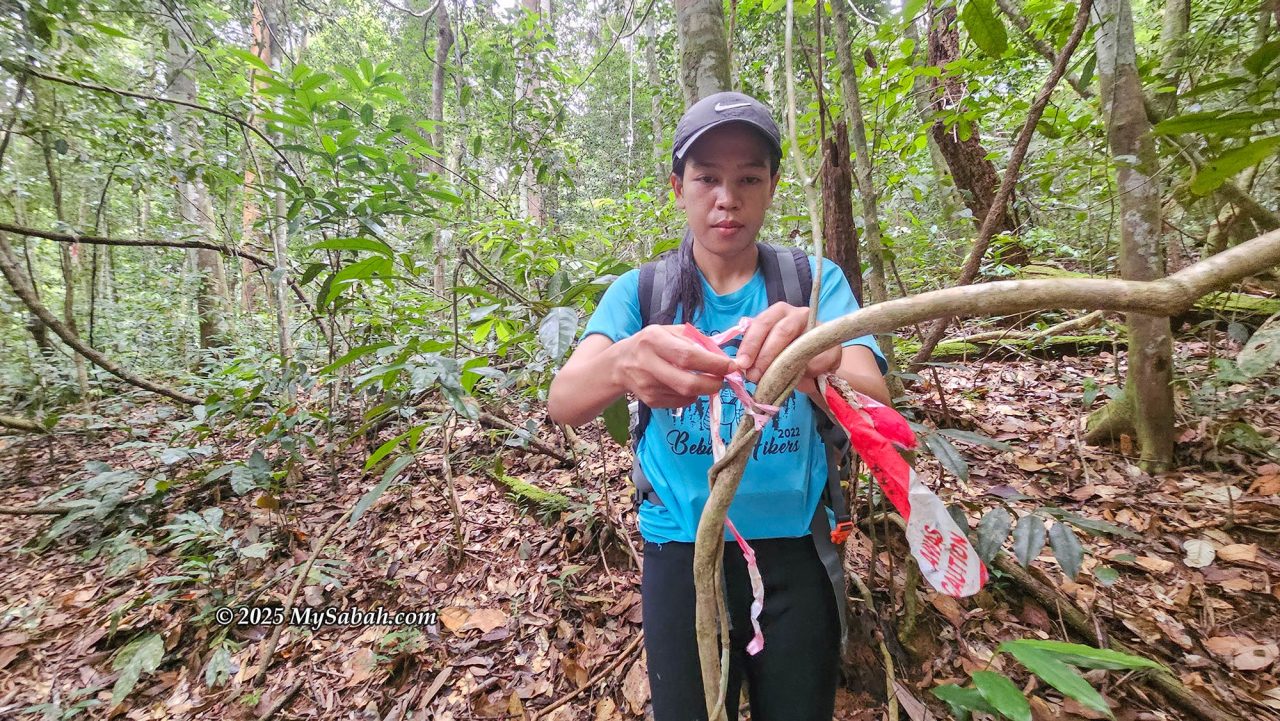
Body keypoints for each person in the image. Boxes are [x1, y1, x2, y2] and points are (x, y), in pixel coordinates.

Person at [547, 91, 891, 721]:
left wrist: (816, 355)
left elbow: (874, 399)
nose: (726, 198)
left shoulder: (814, 284)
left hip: (798, 549)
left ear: (772, 187)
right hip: (681, 552)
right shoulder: (642, 292)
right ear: (678, 188)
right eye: (707, 178)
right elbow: (565, 400)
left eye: (747, 179)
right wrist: (626, 362)